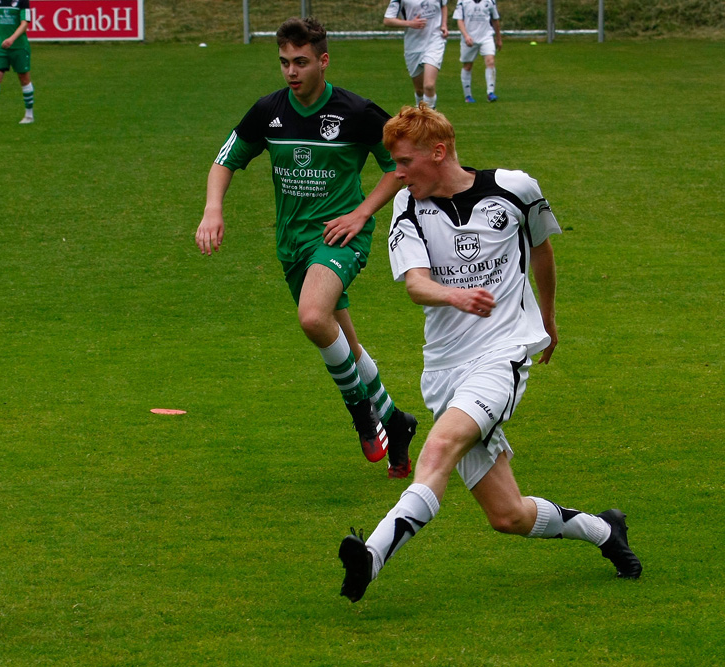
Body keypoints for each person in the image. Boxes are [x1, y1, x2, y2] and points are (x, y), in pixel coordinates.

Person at [338, 105, 641, 602]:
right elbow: (415, 284)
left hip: (502, 355)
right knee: (509, 515)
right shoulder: (407, 207)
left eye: (405, 161)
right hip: (443, 371)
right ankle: (605, 531)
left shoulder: (516, 187)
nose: (397, 173)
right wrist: (452, 294)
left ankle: (370, 558)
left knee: (434, 452)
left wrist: (547, 316)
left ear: (438, 153)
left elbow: (541, 247)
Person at [195, 17, 418, 478]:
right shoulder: (268, 111)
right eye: (284, 63)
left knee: (313, 318)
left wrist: (363, 213)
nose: (291, 71)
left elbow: (402, 164)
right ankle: (397, 422)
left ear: (323, 60)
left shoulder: (356, 111)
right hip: (292, 245)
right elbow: (225, 160)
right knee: (344, 343)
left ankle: (362, 416)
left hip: (340, 238)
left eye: (300, 62)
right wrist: (212, 209)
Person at [383, 0, 449, 109]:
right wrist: (410, 23)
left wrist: (444, 25)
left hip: (435, 41)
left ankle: (428, 119)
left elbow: (443, 5)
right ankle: (421, 113)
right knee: (420, 90)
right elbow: (387, 20)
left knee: (429, 85)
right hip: (413, 45)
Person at [453, 0, 502, 102]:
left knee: (490, 61)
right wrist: (466, 36)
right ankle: (468, 96)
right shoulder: (462, 2)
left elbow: (495, 19)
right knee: (467, 65)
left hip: (486, 36)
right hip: (469, 38)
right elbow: (459, 20)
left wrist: (498, 38)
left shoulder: (490, 1)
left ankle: (490, 93)